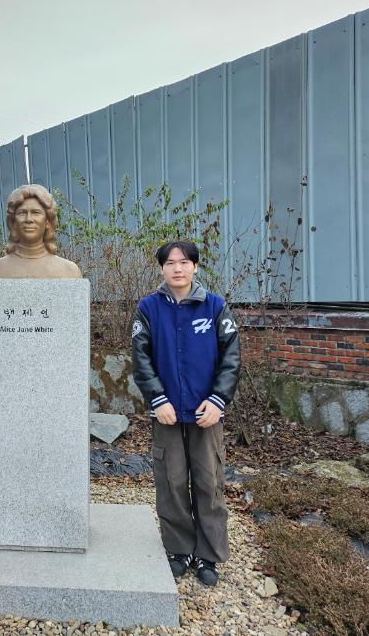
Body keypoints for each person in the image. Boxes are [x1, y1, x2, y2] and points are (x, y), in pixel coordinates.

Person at [131, 240, 241, 586]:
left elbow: (231, 358)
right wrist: (157, 399)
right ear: (162, 268)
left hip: (206, 411)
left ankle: (208, 554)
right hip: (165, 411)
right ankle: (179, 549)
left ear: (195, 266)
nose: (177, 268)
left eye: (183, 262)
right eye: (170, 263)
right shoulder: (149, 308)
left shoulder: (215, 307)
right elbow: (141, 358)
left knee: (209, 481)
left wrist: (218, 400)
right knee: (172, 480)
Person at [0, 184, 82, 279]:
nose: (29, 219)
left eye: (36, 212)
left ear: (47, 221)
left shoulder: (70, 272)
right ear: (14, 222)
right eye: (22, 213)